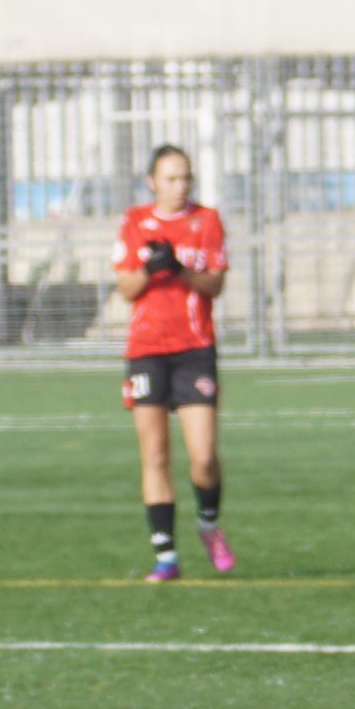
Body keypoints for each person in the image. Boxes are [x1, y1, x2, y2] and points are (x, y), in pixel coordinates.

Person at [111, 144, 233, 583]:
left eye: (186, 178)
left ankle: (208, 523)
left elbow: (214, 283)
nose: (180, 186)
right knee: (156, 455)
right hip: (146, 351)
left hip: (193, 349)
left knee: (202, 456)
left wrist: (180, 270)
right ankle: (165, 556)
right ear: (152, 182)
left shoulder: (207, 220)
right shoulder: (134, 222)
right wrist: (150, 269)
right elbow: (126, 288)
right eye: (171, 178)